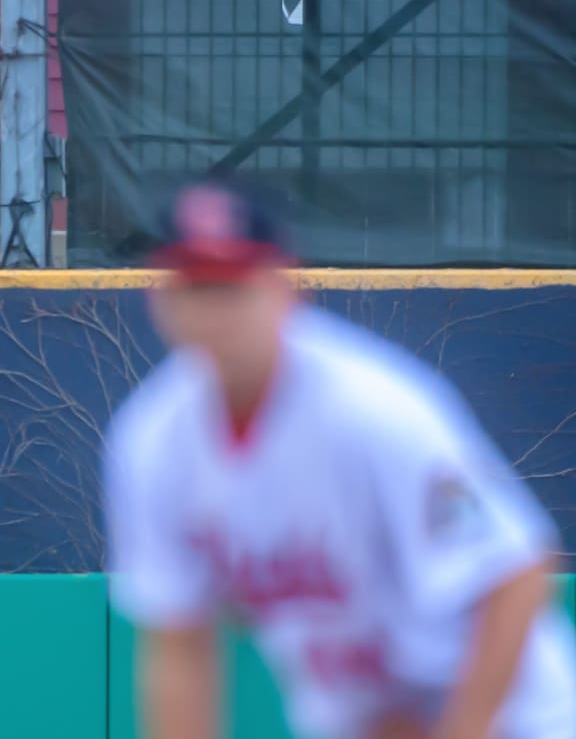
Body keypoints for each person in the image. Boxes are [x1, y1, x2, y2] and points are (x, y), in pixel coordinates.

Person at [102, 178, 576, 739]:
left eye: (233, 286)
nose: (214, 311)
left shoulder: (374, 408)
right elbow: (178, 640)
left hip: (508, 717)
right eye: (198, 287)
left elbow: (516, 575)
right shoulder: (154, 439)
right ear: (163, 300)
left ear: (284, 290)